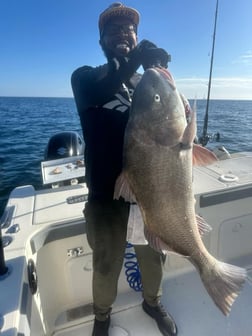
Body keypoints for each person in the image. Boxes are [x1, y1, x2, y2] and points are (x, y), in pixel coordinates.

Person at [71, 3, 179, 336]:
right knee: (106, 264)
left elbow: (174, 119)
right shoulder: (87, 77)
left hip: (150, 194)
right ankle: (102, 316)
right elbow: (100, 89)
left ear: (136, 36)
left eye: (129, 29)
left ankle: (152, 301)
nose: (123, 33)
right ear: (102, 40)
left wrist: (159, 69)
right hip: (106, 195)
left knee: (153, 256)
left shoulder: (145, 81)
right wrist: (136, 60)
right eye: (114, 29)